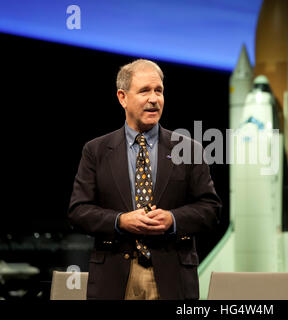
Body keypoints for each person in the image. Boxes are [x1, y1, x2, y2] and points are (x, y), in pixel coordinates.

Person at [68, 59, 222, 300]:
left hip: (172, 278)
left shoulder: (188, 149)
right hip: (115, 278)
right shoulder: (96, 151)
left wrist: (173, 219)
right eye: (144, 91)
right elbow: (78, 211)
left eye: (158, 90)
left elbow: (210, 209)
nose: (154, 99)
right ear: (122, 97)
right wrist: (120, 221)